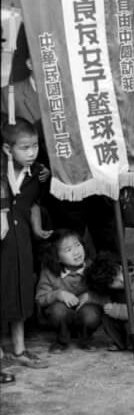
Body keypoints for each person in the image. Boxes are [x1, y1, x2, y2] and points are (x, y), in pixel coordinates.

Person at [1, 118, 52, 369]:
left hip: (21, 241)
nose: (31, 153)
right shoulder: (2, 170)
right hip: (2, 239)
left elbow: (32, 203)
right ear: (7, 150)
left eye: (34, 146)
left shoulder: (37, 174)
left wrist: (37, 228)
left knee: (21, 290)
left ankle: (20, 349)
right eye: (25, 148)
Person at [35, 230, 102, 352]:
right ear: (57, 257)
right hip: (63, 313)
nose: (76, 252)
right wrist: (58, 295)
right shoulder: (50, 272)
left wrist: (89, 296)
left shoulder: (92, 267)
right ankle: (62, 340)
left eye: (77, 245)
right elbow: (40, 299)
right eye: (68, 250)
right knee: (57, 311)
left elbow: (104, 296)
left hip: (84, 311)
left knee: (92, 314)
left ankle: (85, 338)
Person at [85, 252, 134, 354]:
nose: (120, 279)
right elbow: (104, 300)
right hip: (129, 317)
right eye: (112, 281)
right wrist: (90, 297)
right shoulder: (116, 291)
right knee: (107, 317)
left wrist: (117, 310)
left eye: (118, 272)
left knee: (131, 325)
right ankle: (121, 343)